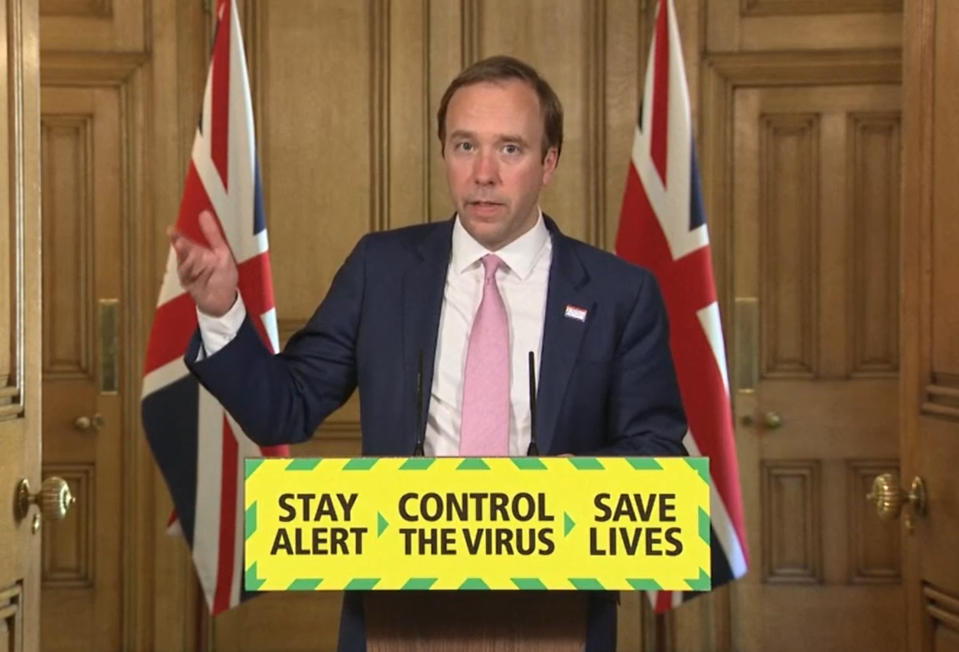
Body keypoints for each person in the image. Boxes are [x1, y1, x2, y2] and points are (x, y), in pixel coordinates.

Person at [172, 55, 686, 652]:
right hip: (398, 611)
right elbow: (283, 409)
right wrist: (219, 310)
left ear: (549, 163)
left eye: (510, 150)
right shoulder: (381, 270)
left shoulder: (619, 294)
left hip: (558, 611)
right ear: (444, 152)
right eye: (465, 146)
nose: (484, 173)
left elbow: (656, 455)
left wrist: (556, 496)